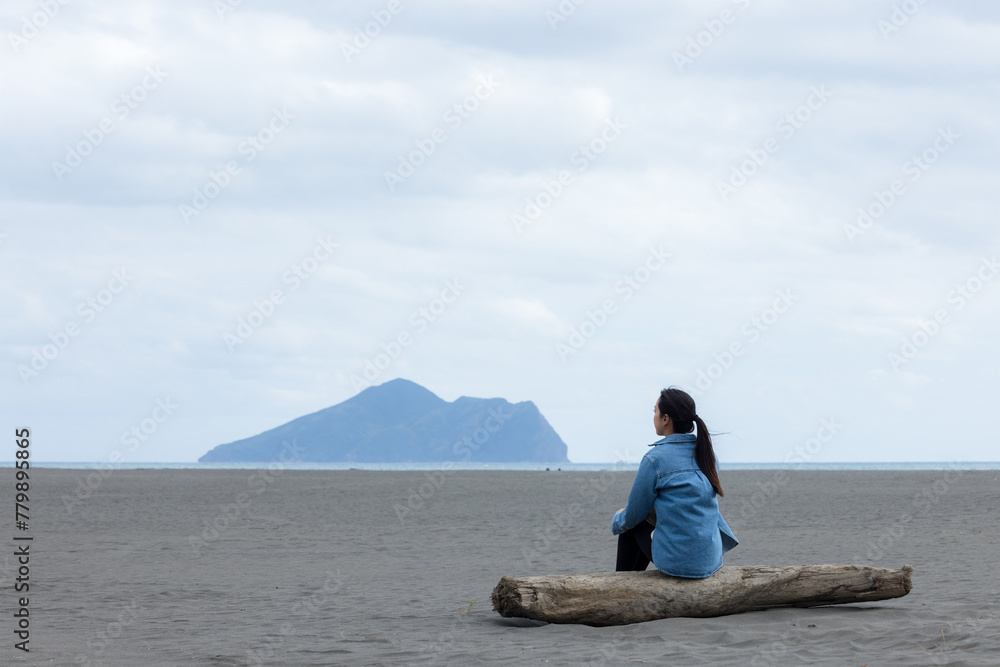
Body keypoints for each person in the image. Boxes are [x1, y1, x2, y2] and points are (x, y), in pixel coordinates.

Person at [611, 387, 738, 578]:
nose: (653, 416)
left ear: (665, 419)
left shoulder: (655, 459)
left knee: (631, 524)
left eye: (655, 411)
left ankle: (621, 583)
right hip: (710, 560)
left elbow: (634, 514)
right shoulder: (708, 455)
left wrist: (617, 519)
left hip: (679, 564)